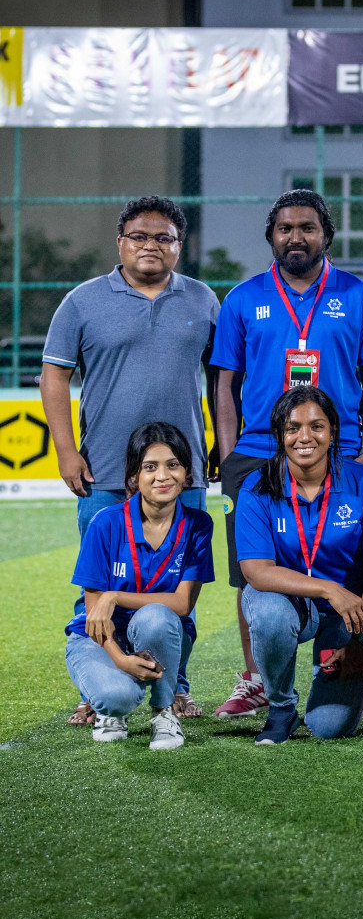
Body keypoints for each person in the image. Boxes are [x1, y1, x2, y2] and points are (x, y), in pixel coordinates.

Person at [211, 189, 363, 721]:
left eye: (307, 228)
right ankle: (255, 679)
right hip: (257, 455)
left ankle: (355, 666)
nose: (296, 236)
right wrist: (231, 458)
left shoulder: (359, 296)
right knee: (251, 574)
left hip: (340, 454)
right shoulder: (243, 299)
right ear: (271, 235)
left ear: (325, 235)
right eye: (286, 228)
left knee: (356, 565)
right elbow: (226, 383)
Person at [42, 196, 219, 723]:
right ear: (120, 242)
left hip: (180, 477)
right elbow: (54, 376)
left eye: (163, 238)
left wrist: (221, 443)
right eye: (140, 236)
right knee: (96, 585)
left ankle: (177, 686)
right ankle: (95, 682)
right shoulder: (82, 301)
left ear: (179, 247)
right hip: (103, 474)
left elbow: (222, 379)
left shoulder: (204, 300)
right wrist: (67, 450)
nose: (151, 246)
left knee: (178, 590)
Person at [235, 386, 363, 745]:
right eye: (292, 428)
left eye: (316, 426)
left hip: (350, 614)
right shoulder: (257, 486)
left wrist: (362, 645)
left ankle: (345, 679)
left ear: (333, 431)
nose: (304, 437)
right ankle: (280, 709)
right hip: (290, 604)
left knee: (328, 727)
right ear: (279, 435)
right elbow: (255, 572)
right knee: (270, 612)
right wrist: (328, 588)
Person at [65, 423, 216, 749]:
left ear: (187, 474)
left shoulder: (198, 525)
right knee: (117, 698)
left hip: (160, 635)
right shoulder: (105, 522)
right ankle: (112, 709)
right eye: (150, 467)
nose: (163, 476)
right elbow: (94, 615)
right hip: (98, 640)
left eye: (173, 464)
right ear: (133, 477)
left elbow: (182, 604)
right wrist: (120, 660)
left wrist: (115, 596)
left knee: (157, 617)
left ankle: (164, 713)